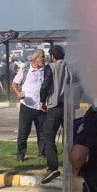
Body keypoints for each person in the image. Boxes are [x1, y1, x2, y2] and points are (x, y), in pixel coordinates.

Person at [39, 44, 73, 184]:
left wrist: (42, 100)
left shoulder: (51, 67)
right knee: (71, 137)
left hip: (54, 106)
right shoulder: (70, 66)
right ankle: (75, 164)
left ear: (52, 56)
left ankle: (53, 167)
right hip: (68, 105)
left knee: (47, 136)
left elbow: (46, 85)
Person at [12, 49, 48, 163]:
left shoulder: (46, 70)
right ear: (36, 58)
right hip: (27, 105)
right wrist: (18, 93)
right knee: (23, 131)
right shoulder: (26, 69)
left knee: (42, 132)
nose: (44, 58)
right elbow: (14, 84)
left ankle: (42, 153)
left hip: (41, 106)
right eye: (42, 56)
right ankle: (20, 154)